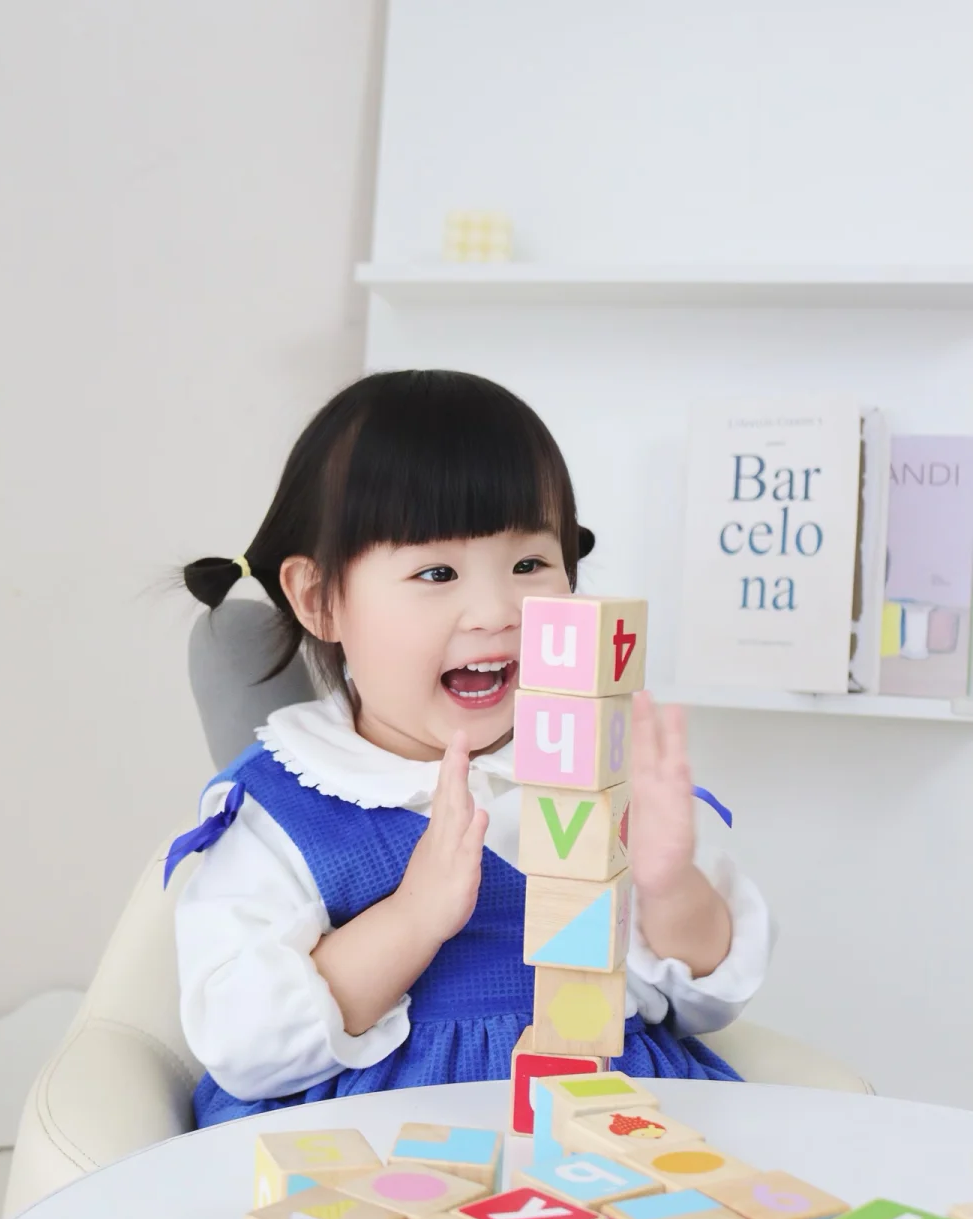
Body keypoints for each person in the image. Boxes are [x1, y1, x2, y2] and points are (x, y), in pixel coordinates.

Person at [169, 370, 771, 1128]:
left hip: (598, 1123)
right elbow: (243, 1042)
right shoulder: (283, 807)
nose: (495, 611)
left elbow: (703, 1001)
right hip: (389, 1139)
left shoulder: (601, 772)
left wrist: (669, 885)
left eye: (528, 565)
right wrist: (412, 918)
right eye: (436, 572)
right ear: (321, 600)